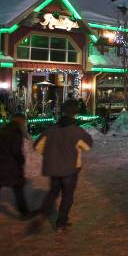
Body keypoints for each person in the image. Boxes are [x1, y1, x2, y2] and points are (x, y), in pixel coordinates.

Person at [32, 99, 93, 232]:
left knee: (53, 192)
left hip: (54, 168)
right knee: (67, 195)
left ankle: (42, 214)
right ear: (75, 114)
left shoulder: (51, 129)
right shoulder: (77, 131)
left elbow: (37, 146)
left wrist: (50, 154)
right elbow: (87, 146)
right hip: (70, 169)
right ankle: (61, 223)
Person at [0, 113, 33, 219]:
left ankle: (24, 213)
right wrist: (22, 161)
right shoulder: (16, 133)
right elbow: (16, 151)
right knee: (18, 190)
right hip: (11, 167)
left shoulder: (2, 130)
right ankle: (24, 213)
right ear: (21, 121)